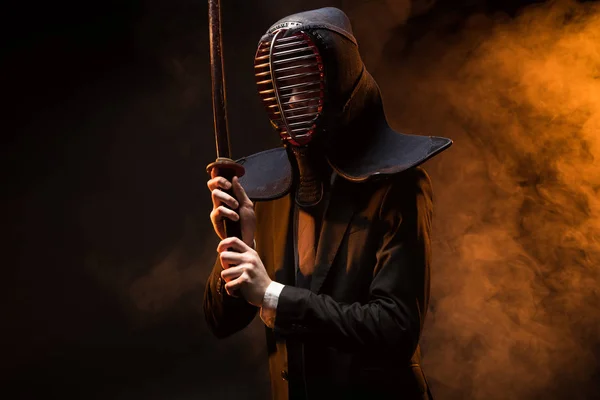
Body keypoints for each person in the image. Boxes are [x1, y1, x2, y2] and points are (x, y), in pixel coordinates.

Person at [203, 7, 451, 400]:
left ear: (340, 80)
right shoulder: (264, 191)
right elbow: (221, 321)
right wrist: (241, 247)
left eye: (306, 84)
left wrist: (273, 295)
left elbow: (396, 329)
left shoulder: (399, 185)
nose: (293, 101)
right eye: (283, 89)